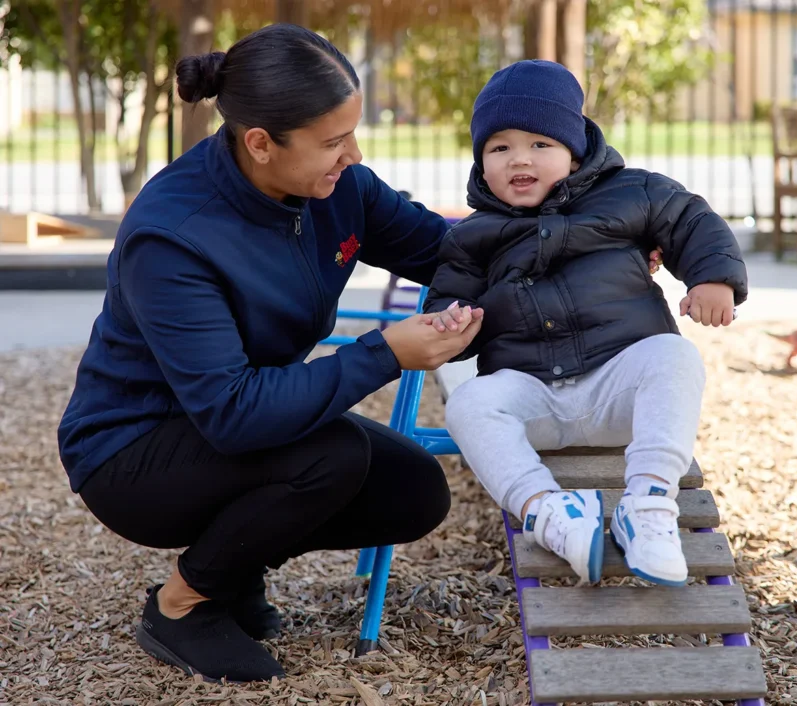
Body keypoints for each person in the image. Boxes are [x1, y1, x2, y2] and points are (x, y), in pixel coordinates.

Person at [55, 23, 485, 684]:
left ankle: (234, 567)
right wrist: (384, 352)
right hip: (133, 451)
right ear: (260, 143)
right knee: (330, 457)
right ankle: (181, 605)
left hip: (236, 419)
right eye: (334, 142)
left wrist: (583, 243)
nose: (354, 154)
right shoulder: (173, 237)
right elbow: (233, 414)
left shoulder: (339, 189)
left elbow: (446, 249)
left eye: (352, 133)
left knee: (413, 491)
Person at [423, 60, 748, 587]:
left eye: (539, 145)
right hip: (533, 398)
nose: (519, 159)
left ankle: (646, 504)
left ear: (574, 151)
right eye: (499, 148)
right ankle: (547, 511)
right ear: (481, 162)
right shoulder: (473, 237)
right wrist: (449, 324)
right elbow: (449, 301)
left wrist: (714, 280)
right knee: (470, 403)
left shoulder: (632, 192)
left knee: (674, 356)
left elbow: (693, 221)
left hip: (618, 385)